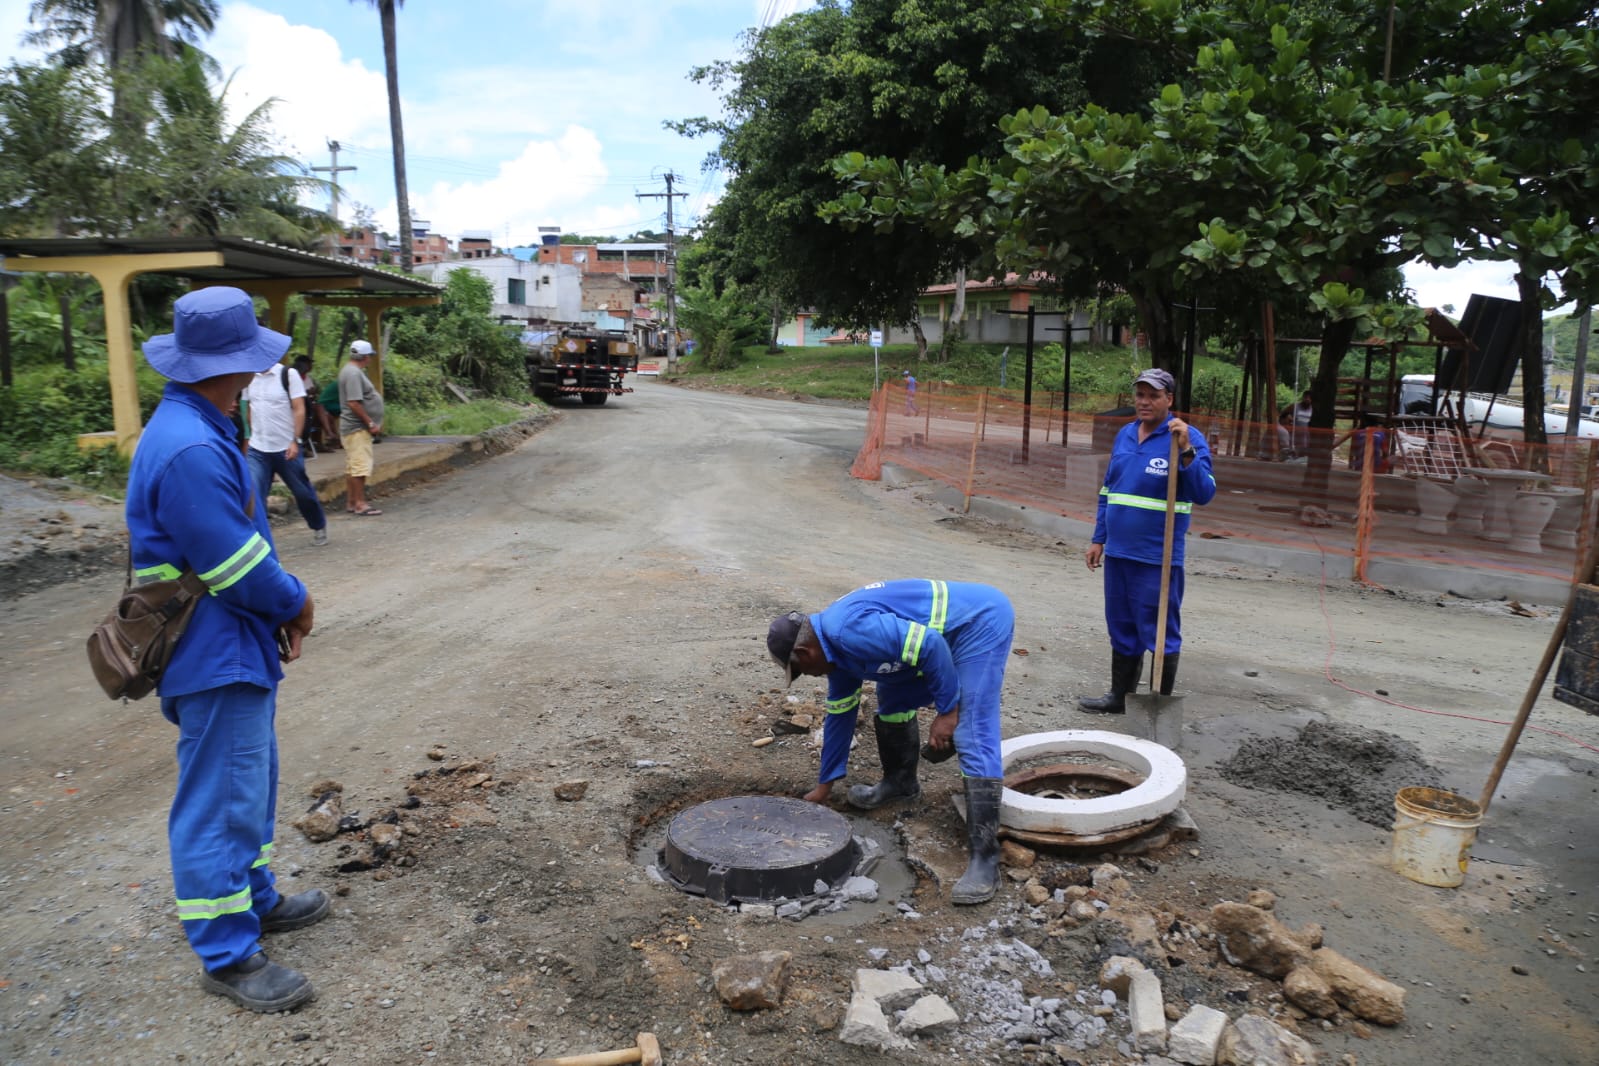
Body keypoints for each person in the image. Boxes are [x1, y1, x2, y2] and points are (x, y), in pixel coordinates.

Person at [126, 286, 324, 1013]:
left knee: (249, 782)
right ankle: (227, 954)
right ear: (233, 365)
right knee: (218, 798)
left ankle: (255, 897)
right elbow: (234, 565)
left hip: (228, 638)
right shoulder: (188, 447)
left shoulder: (199, 425)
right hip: (210, 647)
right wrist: (296, 602)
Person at [768, 579, 1015, 905]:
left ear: (805, 652)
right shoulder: (835, 654)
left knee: (971, 729)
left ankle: (985, 860)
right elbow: (840, 716)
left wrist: (947, 712)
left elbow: (930, 644)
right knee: (893, 701)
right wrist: (824, 787)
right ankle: (901, 783)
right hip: (936, 642)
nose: (809, 676)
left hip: (975, 623)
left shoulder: (847, 631)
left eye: (800, 670)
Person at [1080, 368, 1216, 714]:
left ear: (1169, 399)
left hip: (1158, 556)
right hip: (1119, 553)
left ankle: (1158, 707)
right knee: (1121, 624)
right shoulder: (1125, 434)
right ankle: (1119, 697)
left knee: (1159, 630)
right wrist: (1099, 538)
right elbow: (1108, 490)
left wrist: (1186, 451)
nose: (1144, 402)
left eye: (1153, 396)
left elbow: (1204, 492)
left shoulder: (1185, 437)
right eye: (1140, 395)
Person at [245, 359, 329, 547]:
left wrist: (294, 440)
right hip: (258, 447)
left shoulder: (287, 375)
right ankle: (259, 539)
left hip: (286, 447)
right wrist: (251, 436)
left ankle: (318, 524)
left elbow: (299, 409)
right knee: (255, 493)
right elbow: (249, 407)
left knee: (302, 492)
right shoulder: (248, 376)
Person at [338, 339, 385, 516]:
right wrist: (370, 423)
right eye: (370, 356)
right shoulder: (353, 374)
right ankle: (360, 503)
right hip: (357, 428)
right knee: (360, 466)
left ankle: (352, 501)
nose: (370, 359)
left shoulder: (352, 371)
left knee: (353, 466)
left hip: (354, 427)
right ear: (365, 357)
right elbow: (354, 403)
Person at [1291, 391, 1313, 455]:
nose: (1307, 399)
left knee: (1304, 455)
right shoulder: (1295, 406)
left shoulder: (1313, 408)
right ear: (1303, 397)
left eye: (1309, 398)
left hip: (1307, 437)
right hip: (1295, 436)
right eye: (1306, 397)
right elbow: (1283, 416)